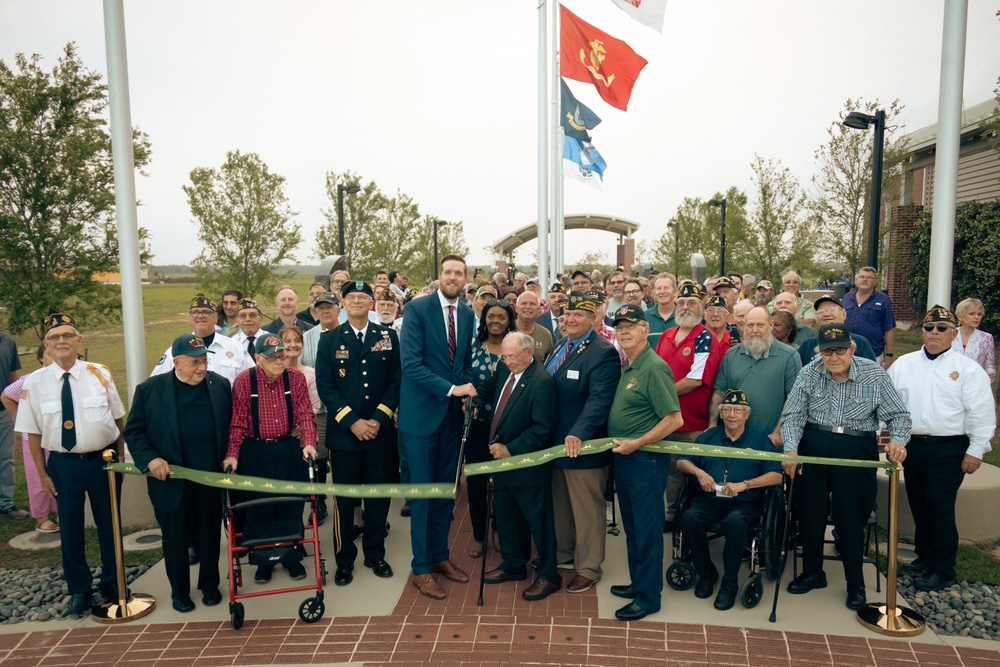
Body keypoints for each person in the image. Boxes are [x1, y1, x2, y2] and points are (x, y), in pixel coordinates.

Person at [781, 323, 910, 610]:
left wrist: (898, 441)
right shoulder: (810, 371)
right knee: (810, 512)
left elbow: (899, 415)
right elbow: (792, 416)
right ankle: (813, 572)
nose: (834, 356)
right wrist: (790, 448)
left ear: (852, 348)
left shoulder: (874, 373)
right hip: (814, 443)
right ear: (820, 352)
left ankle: (856, 584)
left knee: (851, 516)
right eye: (827, 351)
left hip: (856, 446)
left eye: (840, 349)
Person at [14, 313, 125, 614]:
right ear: (46, 346)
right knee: (71, 529)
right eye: (54, 337)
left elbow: (117, 417)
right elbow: (32, 433)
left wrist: (121, 455)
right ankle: (79, 587)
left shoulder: (99, 373)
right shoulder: (34, 384)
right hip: (63, 466)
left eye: (67, 335)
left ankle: (114, 582)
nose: (61, 341)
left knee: (109, 524)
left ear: (79, 340)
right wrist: (42, 475)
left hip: (103, 462)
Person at [888, 306, 996, 591]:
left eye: (941, 328)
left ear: (954, 332)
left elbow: (981, 413)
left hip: (949, 447)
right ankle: (925, 555)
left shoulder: (968, 369)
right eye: (928, 328)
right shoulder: (904, 364)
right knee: (919, 503)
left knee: (939, 507)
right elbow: (891, 404)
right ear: (921, 331)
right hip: (913, 446)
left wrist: (976, 450)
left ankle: (942, 569)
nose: (934, 333)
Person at [125, 334, 232, 613]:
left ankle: (209, 585)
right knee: (175, 539)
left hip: (209, 479)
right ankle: (180, 592)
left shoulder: (220, 386)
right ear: (176, 362)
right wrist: (150, 459)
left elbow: (230, 427)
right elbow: (134, 432)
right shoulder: (150, 390)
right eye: (195, 362)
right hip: (170, 481)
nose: (201, 368)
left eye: (205, 361)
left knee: (210, 534)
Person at [398, 254, 476, 600]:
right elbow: (411, 364)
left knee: (446, 493)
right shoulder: (417, 309)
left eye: (459, 273)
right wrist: (451, 389)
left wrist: (467, 388)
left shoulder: (469, 313)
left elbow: (463, 362)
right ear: (439, 276)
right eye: (448, 272)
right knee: (424, 495)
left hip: (452, 418)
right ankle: (421, 567)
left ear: (465, 278)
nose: (453, 277)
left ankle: (440, 556)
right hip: (421, 418)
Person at [316, 281, 402, 586]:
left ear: (372, 303)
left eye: (363, 298)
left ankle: (375, 553)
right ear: (342, 302)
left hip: (380, 435)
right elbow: (325, 385)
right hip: (345, 435)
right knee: (345, 501)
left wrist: (378, 419)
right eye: (351, 297)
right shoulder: (329, 340)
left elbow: (395, 381)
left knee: (378, 499)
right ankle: (344, 559)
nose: (357, 302)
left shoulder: (388, 337)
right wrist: (352, 421)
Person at [606, 304, 683, 621]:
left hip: (645, 461)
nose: (623, 330)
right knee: (634, 530)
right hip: (627, 461)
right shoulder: (631, 364)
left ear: (643, 329)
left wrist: (638, 442)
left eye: (630, 325)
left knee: (648, 531)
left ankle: (648, 598)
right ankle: (639, 584)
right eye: (619, 326)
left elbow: (674, 419)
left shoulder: (653, 367)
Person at [222, 334, 317, 585]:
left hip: (286, 447)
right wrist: (232, 454)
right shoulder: (244, 381)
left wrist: (309, 442)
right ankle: (263, 559)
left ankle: (290, 555)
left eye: (282, 355)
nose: (279, 361)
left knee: (291, 502)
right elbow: (238, 423)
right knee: (259, 505)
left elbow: (305, 413)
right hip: (255, 450)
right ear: (257, 358)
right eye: (272, 357)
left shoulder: (294, 378)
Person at [543, 293, 621, 594]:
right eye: (567, 314)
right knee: (560, 503)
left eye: (578, 315)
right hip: (554, 444)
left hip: (582, 445)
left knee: (587, 508)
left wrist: (579, 432)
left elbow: (599, 400)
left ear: (594, 320)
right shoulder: (562, 344)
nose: (570, 319)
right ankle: (564, 554)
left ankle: (588, 567)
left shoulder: (602, 352)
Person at [677, 389, 783, 610]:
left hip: (744, 502)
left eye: (738, 410)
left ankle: (729, 583)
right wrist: (699, 473)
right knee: (689, 517)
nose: (732, 414)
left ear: (747, 414)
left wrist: (745, 484)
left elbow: (776, 475)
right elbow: (682, 462)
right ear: (721, 414)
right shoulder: (708, 437)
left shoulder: (760, 441)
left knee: (735, 522)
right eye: (727, 410)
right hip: (709, 500)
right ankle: (706, 573)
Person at [479, 332, 561, 601]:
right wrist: (473, 395)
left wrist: (510, 449)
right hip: (501, 465)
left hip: (526, 466)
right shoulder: (506, 368)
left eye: (512, 356)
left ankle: (549, 575)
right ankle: (514, 565)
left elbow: (542, 429)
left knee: (539, 523)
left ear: (528, 353)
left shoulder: (541, 382)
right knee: (507, 517)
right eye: (504, 355)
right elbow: (489, 388)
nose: (507, 360)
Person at [654, 283, 719, 532]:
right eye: (681, 302)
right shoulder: (666, 335)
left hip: (692, 423)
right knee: (670, 472)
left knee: (690, 473)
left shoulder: (705, 337)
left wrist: (660, 395)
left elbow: (696, 379)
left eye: (692, 302)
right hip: (664, 419)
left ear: (701, 307)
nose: (685, 307)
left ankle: (689, 520)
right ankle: (672, 516)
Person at [466, 298, 516, 558]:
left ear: (510, 321)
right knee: (477, 482)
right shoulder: (472, 347)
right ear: (483, 319)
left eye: (502, 317)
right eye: (491, 316)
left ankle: (499, 530)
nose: (496, 321)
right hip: (476, 426)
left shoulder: (516, 348)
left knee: (504, 483)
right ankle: (478, 534)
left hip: (507, 427)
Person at [710, 307, 801, 447]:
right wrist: (712, 425)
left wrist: (778, 432)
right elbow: (719, 393)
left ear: (770, 325)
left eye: (760, 325)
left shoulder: (789, 356)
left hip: (770, 439)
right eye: (750, 325)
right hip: (734, 438)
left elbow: (793, 400)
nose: (754, 330)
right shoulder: (731, 355)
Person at [2, 345, 58, 531]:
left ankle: (61, 511)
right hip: (34, 439)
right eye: (48, 354)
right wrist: (22, 421)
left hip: (58, 437)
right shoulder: (29, 380)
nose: (53, 358)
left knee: (58, 475)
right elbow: (6, 396)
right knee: (38, 476)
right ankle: (42, 517)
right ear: (41, 358)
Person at [280, 324, 329, 523]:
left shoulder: (310, 373)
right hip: (282, 432)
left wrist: (302, 423)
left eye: (297, 341)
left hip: (306, 427)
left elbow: (315, 403)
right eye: (288, 341)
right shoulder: (275, 372)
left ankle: (318, 501)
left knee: (315, 463)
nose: (293, 345)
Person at [151, 294, 253, 383]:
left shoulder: (236, 348)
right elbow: (157, 382)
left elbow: (253, 378)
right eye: (195, 312)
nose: (200, 316)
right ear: (189, 318)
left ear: (215, 318)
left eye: (206, 312)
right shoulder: (175, 351)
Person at [797, 296, 875, 366]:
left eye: (832, 309)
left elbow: (872, 372)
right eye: (821, 311)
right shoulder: (807, 345)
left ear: (844, 314)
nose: (826, 314)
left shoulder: (860, 342)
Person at [843, 266, 896, 368]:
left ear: (875, 281)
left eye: (869, 277)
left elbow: (889, 329)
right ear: (856, 279)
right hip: (847, 351)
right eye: (862, 276)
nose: (865, 279)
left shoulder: (883, 299)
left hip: (873, 352)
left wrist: (889, 356)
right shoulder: (847, 298)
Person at [0, 324, 23, 519]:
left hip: (2, 411)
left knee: (5, 458)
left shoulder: (7, 342)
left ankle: (5, 502)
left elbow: (12, 377)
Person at [951, 298, 996, 382]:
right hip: (951, 383)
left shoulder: (986, 338)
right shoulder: (950, 335)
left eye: (979, 314)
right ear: (961, 316)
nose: (976, 317)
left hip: (975, 384)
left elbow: (990, 366)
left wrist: (990, 373)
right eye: (972, 314)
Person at [300, 292, 340, 369]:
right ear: (317, 312)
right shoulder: (305, 339)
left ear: (338, 311)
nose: (325, 311)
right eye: (321, 308)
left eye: (329, 307)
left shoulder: (349, 335)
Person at [515, 291, 553, 363]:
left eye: (532, 304)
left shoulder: (545, 335)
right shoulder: (507, 329)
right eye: (524, 303)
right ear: (516, 308)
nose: (528, 307)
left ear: (539, 309)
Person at [645, 273, 677, 344]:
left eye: (666, 288)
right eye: (659, 288)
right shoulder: (645, 317)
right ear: (653, 293)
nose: (662, 292)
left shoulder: (684, 316)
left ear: (675, 292)